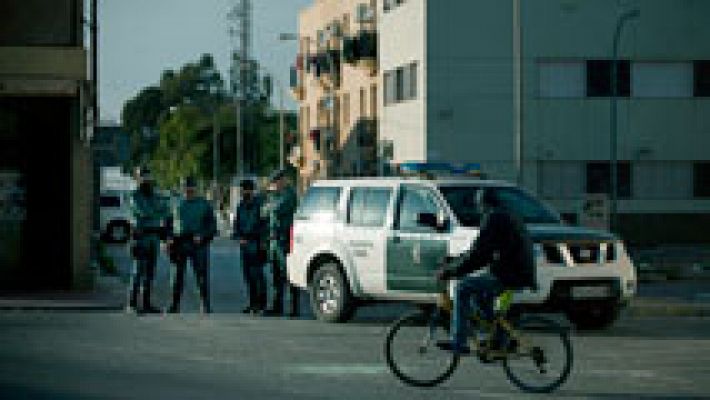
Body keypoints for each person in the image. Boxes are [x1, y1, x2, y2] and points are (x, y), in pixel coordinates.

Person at [436, 188, 537, 354]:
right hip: (515, 271)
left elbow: (479, 255)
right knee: (479, 296)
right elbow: (479, 251)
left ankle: (458, 342)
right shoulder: (504, 215)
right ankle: (500, 338)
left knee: (462, 288)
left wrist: (451, 271)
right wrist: (454, 261)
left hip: (509, 273)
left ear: (482, 204)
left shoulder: (493, 218)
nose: (479, 210)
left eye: (479, 206)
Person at [167, 176, 217, 314]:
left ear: (196, 188)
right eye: (186, 187)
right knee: (177, 276)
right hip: (179, 243)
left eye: (191, 187)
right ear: (182, 188)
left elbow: (212, 226)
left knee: (201, 276)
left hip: (198, 244)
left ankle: (205, 305)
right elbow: (167, 223)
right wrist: (168, 238)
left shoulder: (204, 204)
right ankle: (174, 305)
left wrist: (203, 235)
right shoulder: (174, 203)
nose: (188, 190)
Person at [126, 166, 170, 314]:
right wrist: (156, 212)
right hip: (141, 237)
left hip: (154, 237)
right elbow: (144, 212)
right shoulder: (134, 196)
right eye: (142, 177)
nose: (146, 179)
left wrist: (157, 212)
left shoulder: (154, 195)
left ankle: (146, 303)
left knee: (150, 273)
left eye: (147, 176)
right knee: (137, 272)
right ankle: (131, 304)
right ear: (137, 178)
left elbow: (166, 211)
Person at [262, 169, 300, 317]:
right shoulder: (274, 196)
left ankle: (293, 307)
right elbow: (262, 212)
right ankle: (277, 306)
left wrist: (270, 206)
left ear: (283, 181)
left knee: (289, 274)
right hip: (274, 240)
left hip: (284, 239)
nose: (274, 185)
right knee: (276, 275)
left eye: (276, 182)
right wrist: (270, 205)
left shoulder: (289, 194)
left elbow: (278, 209)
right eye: (273, 182)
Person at [232, 178, 267, 314]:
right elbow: (236, 225)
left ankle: (261, 305)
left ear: (251, 190)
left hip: (256, 244)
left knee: (258, 276)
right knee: (248, 276)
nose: (243, 192)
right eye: (242, 190)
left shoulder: (260, 205)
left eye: (245, 190)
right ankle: (252, 304)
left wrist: (261, 242)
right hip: (244, 245)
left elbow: (264, 224)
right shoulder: (240, 206)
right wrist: (238, 237)